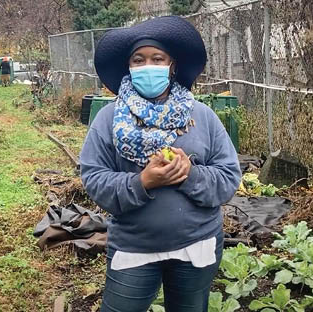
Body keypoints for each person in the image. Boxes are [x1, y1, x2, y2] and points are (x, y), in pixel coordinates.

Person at [79, 16, 241, 312]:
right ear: (128, 68)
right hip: (133, 247)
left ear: (172, 66)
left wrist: (189, 174)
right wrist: (141, 182)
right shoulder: (109, 118)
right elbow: (94, 177)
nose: (147, 66)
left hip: (197, 245)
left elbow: (229, 176)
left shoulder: (201, 116)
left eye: (157, 58)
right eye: (138, 60)